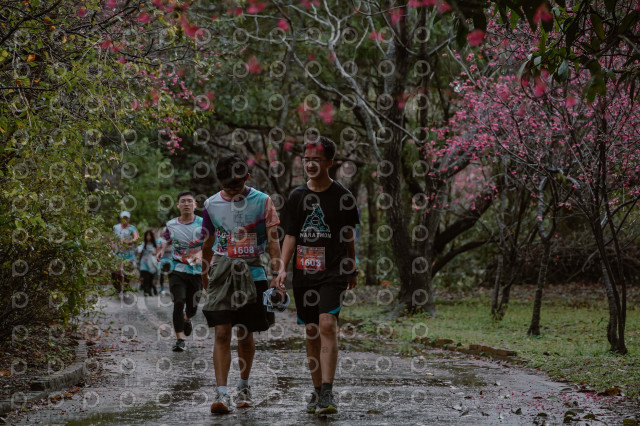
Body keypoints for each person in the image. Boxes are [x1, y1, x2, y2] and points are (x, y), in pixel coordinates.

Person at [279, 137, 359, 415]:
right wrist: (281, 268)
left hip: (333, 270)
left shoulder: (343, 197)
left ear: (330, 162)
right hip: (304, 273)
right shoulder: (297, 197)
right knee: (312, 330)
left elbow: (348, 235)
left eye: (317, 159)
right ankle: (316, 391)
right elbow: (290, 235)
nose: (310, 164)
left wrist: (352, 265)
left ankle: (327, 392)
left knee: (327, 324)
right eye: (307, 159)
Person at [200, 153, 286, 414]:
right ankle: (221, 393)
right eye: (226, 186)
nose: (232, 190)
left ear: (247, 177)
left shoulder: (263, 201)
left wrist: (277, 273)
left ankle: (244, 386)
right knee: (221, 332)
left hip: (253, 272)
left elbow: (273, 240)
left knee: (245, 333)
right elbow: (207, 241)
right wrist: (205, 272)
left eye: (236, 184)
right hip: (221, 272)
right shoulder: (211, 204)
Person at [157, 191, 204, 352]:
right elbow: (165, 239)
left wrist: (200, 254)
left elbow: (210, 243)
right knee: (178, 302)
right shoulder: (171, 224)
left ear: (195, 205)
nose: (186, 204)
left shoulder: (203, 223)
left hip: (197, 270)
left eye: (189, 201)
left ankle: (187, 318)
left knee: (192, 307)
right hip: (177, 268)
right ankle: (180, 340)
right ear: (178, 205)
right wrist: (161, 250)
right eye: (183, 201)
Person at [111, 211, 139, 295]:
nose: (125, 220)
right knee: (118, 272)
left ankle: (125, 288)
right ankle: (118, 288)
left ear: (129, 219)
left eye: (126, 218)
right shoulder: (116, 227)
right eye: (123, 218)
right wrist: (112, 246)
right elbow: (113, 239)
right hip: (118, 254)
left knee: (127, 272)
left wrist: (129, 241)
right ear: (120, 219)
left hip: (129, 254)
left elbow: (136, 238)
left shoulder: (132, 228)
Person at [137, 230, 159, 296]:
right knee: (145, 277)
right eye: (147, 235)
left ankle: (150, 290)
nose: (148, 237)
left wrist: (155, 253)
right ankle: (146, 291)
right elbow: (139, 252)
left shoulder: (154, 244)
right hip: (143, 263)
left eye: (149, 235)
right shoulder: (142, 244)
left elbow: (157, 252)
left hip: (151, 263)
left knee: (150, 277)